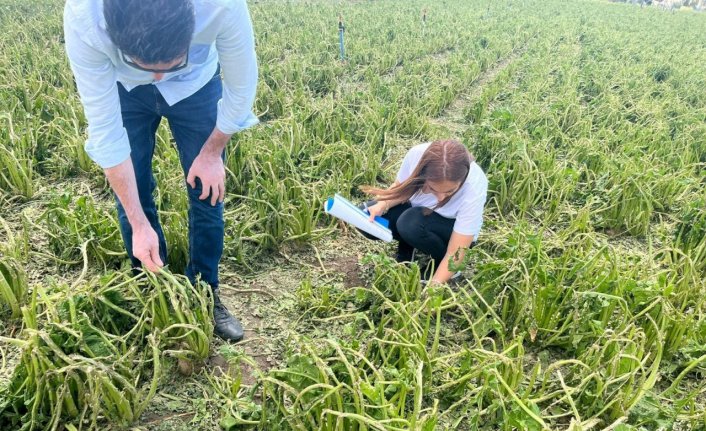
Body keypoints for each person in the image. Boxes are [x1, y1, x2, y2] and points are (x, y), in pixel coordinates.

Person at [63, 0, 259, 342]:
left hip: (196, 86)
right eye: (143, 65)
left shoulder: (221, 6)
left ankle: (205, 292)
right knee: (132, 190)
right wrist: (139, 224)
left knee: (207, 192)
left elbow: (241, 90)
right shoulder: (84, 17)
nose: (157, 78)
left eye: (170, 64)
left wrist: (212, 152)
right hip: (126, 91)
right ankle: (153, 286)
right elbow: (107, 136)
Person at [360, 140, 488, 284]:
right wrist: (382, 204)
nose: (440, 197)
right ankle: (409, 244)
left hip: (451, 230)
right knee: (364, 216)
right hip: (418, 215)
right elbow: (401, 187)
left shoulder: (474, 186)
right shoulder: (417, 155)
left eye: (450, 191)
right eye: (433, 188)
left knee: (410, 222)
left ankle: (443, 263)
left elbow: (456, 252)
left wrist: (434, 286)